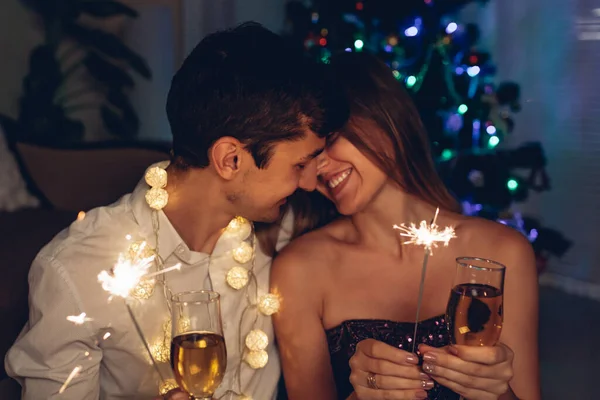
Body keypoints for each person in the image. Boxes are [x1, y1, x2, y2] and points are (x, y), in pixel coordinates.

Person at [5, 23, 346, 400]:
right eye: (299, 166)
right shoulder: (78, 268)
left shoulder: (287, 232)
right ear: (230, 159)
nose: (312, 183)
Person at [271, 52, 540, 400]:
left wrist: (493, 392)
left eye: (330, 139)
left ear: (383, 119)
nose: (319, 166)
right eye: (308, 153)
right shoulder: (299, 271)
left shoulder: (503, 253)